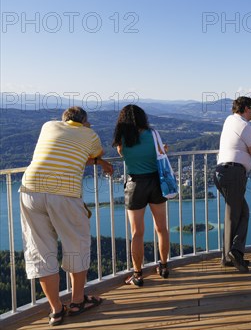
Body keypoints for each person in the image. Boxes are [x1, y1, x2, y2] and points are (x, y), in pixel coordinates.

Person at [19, 107, 113, 326]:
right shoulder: (89, 134)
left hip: (30, 191)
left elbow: (67, 151)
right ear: (84, 121)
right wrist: (89, 135)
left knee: (41, 250)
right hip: (64, 194)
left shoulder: (48, 126)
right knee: (76, 244)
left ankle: (56, 310)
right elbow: (93, 154)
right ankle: (78, 302)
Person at [112, 104, 171, 287]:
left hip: (135, 184)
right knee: (161, 227)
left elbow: (122, 154)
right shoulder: (153, 134)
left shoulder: (122, 138)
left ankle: (137, 275)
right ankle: (163, 266)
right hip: (156, 183)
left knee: (137, 232)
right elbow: (161, 153)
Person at [214, 96, 251, 273]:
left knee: (238, 213)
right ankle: (234, 252)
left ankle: (229, 256)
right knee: (236, 214)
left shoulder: (229, 120)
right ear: (244, 109)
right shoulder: (245, 125)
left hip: (221, 171)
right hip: (234, 173)